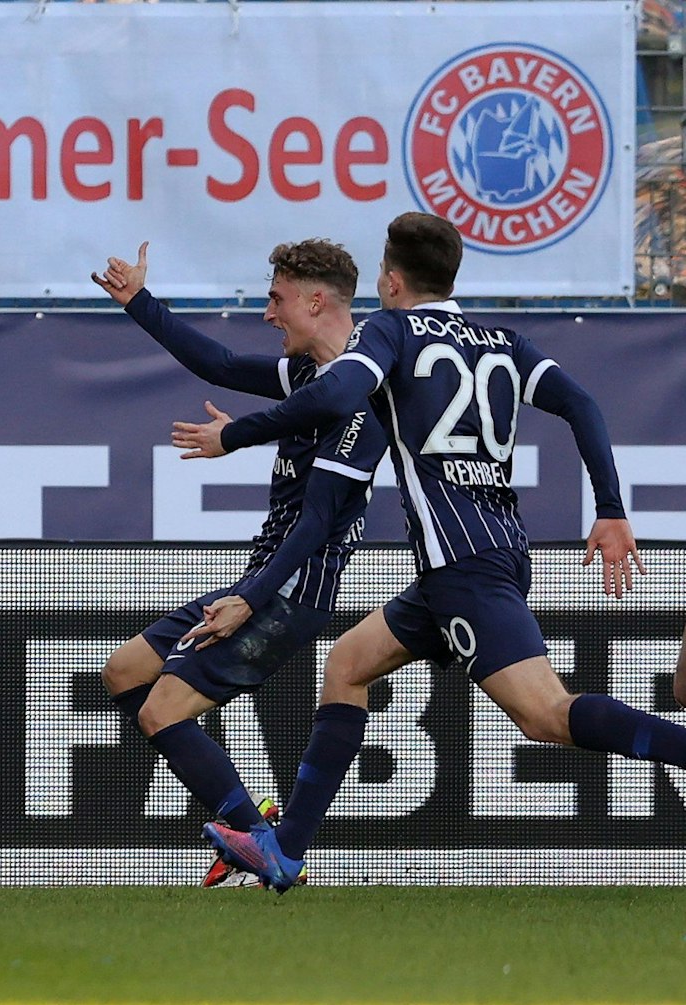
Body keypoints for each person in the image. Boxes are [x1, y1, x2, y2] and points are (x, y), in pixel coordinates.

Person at [173, 211, 686, 890]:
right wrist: (611, 509)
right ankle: (285, 849)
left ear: (389, 279)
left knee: (544, 716)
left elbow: (333, 391)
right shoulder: (499, 339)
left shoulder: (389, 330)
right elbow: (582, 403)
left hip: (461, 570)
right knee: (347, 664)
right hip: (489, 554)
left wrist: (234, 436)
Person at [92, 239, 383, 887]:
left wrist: (251, 597)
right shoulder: (310, 373)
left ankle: (260, 843)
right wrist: (137, 302)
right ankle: (254, 827)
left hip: (288, 590)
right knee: (124, 672)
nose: (267, 313)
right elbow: (219, 364)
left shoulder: (359, 397)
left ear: (315, 301)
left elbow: (316, 522)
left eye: (276, 299)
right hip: (260, 580)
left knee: (159, 712)